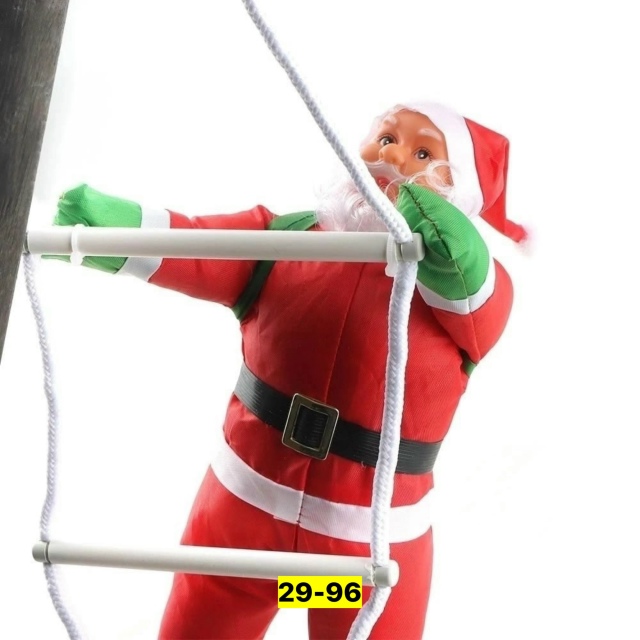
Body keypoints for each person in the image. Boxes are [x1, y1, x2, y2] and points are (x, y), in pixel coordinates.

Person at [51, 101, 525, 639]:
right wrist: (109, 233)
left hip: (362, 550)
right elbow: (198, 246)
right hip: (243, 520)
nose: (392, 158)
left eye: (423, 154)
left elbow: (467, 271)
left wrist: (427, 214)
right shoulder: (288, 239)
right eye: (386, 138)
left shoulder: (467, 300)